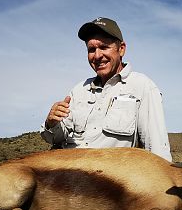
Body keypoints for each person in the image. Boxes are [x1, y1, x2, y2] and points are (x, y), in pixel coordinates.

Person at [40, 17, 172, 161]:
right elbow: (55, 138)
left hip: (104, 178)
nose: (97, 56)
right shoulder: (79, 90)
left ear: (121, 49)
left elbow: (157, 151)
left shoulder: (142, 86)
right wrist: (51, 123)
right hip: (66, 170)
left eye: (104, 47)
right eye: (91, 49)